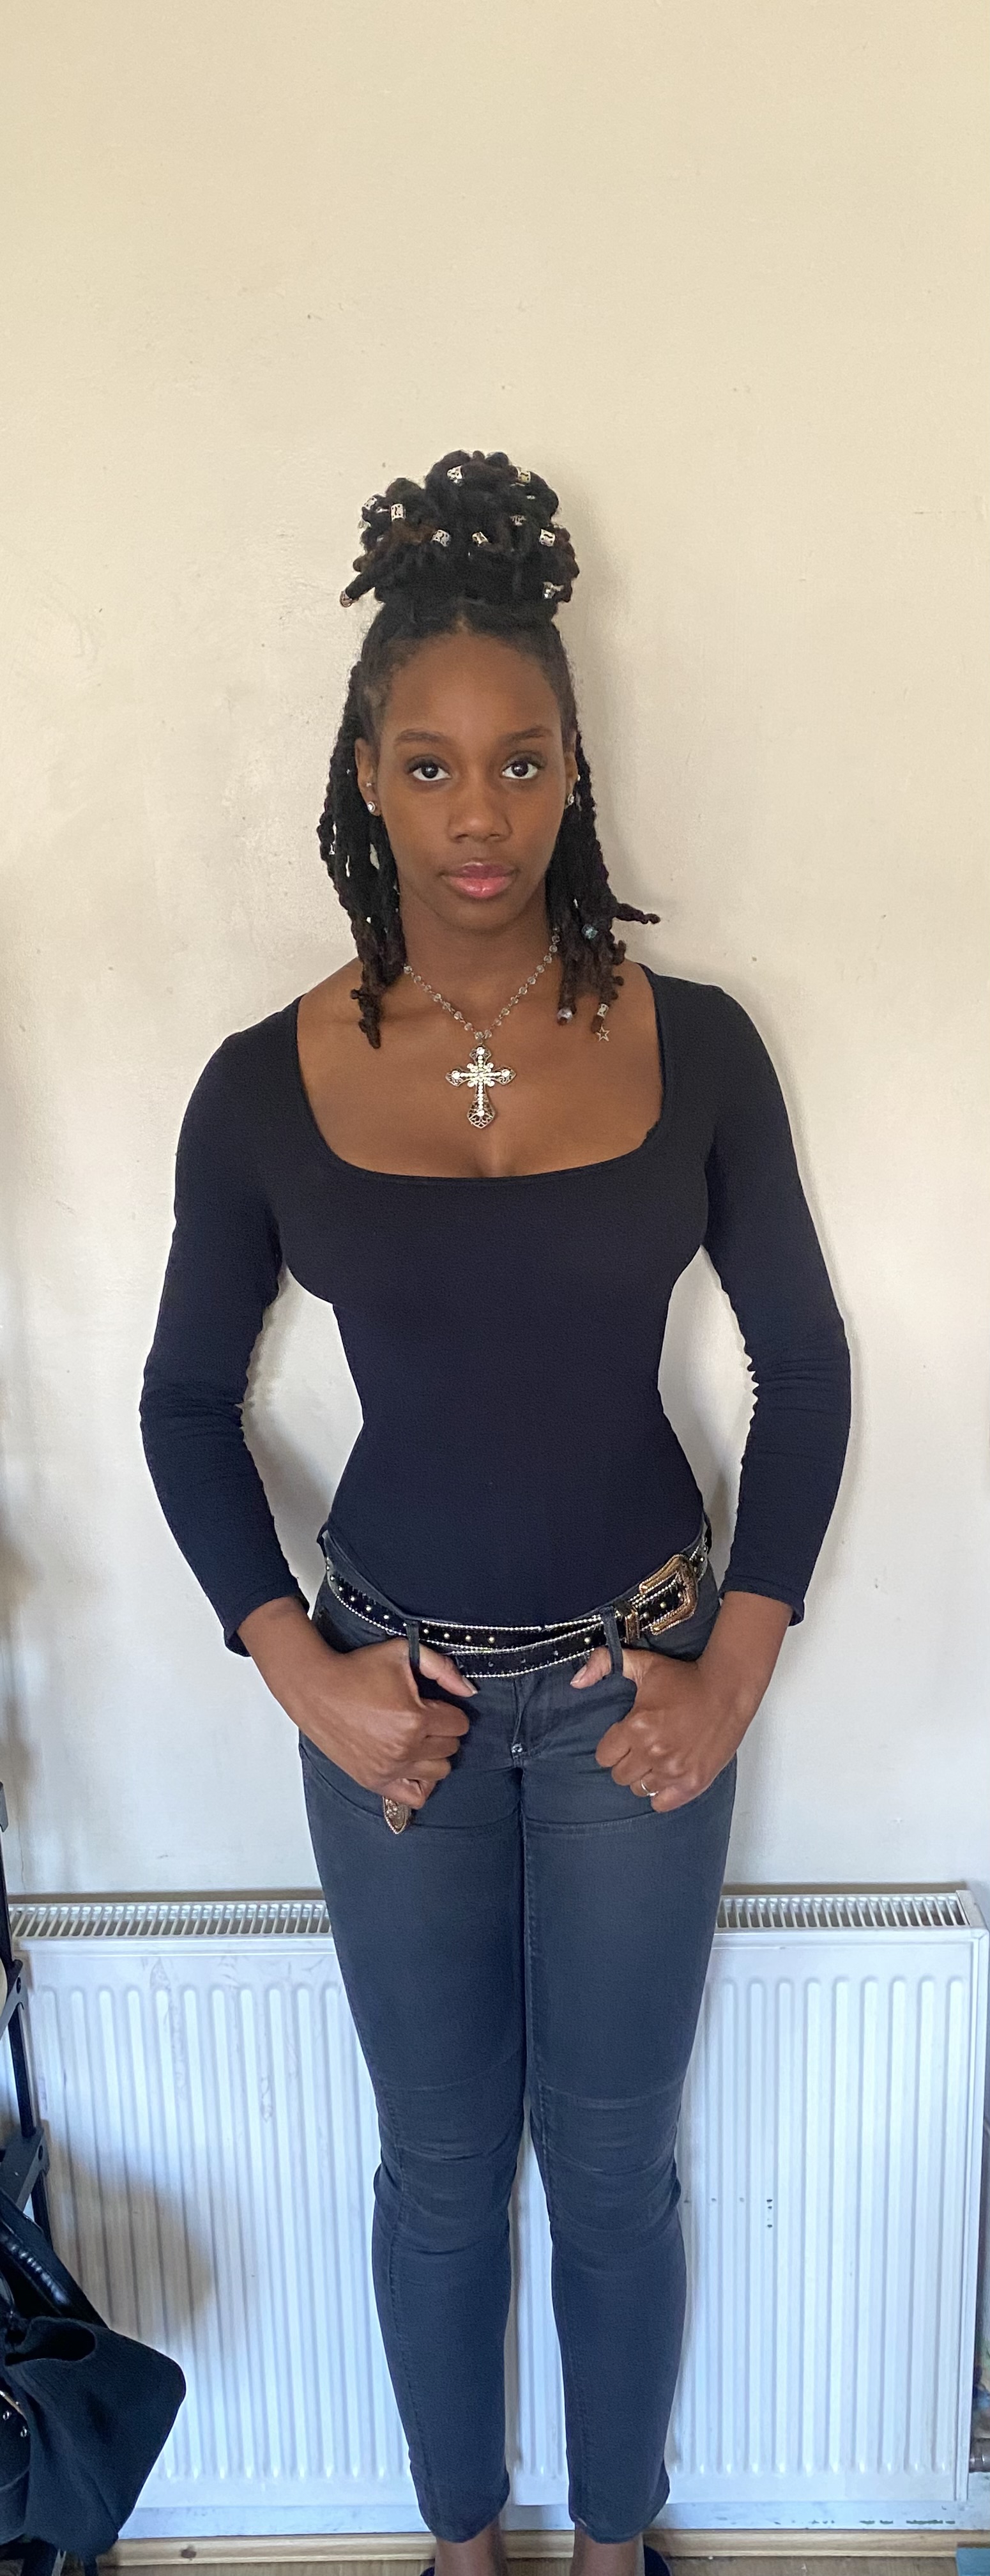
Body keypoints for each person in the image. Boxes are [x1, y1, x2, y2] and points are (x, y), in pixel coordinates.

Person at [141, 449, 851, 2576]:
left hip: (642, 1693)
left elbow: (807, 1370)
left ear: (574, 770)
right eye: (433, 765)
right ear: (366, 775)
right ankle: (463, 2547)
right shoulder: (260, 1083)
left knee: (617, 2174)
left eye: (522, 761)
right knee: (440, 2175)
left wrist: (733, 1669)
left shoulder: (698, 1048)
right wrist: (306, 1678)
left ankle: (616, 2547)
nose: (479, 814)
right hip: (400, 1713)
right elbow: (183, 1405)